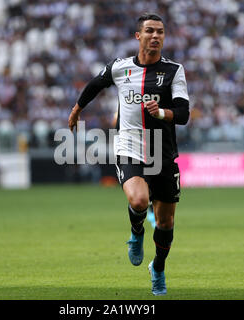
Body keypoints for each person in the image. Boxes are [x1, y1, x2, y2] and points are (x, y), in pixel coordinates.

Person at [68, 13, 190, 296]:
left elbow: (183, 114)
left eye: (160, 31)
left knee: (165, 222)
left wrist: (160, 112)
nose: (156, 36)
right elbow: (95, 84)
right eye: (150, 31)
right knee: (138, 199)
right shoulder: (120, 68)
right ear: (138, 36)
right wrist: (77, 108)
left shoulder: (174, 71)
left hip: (163, 151)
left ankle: (157, 267)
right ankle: (136, 232)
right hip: (129, 146)